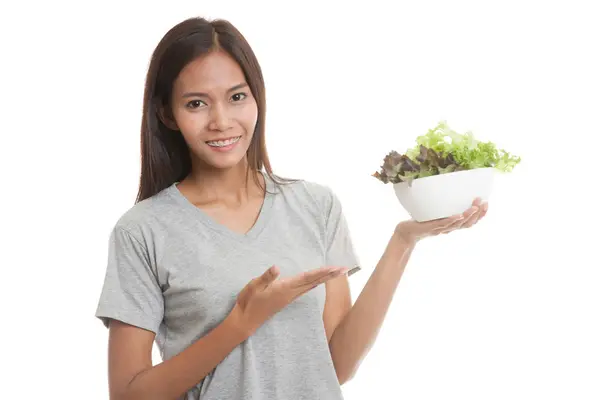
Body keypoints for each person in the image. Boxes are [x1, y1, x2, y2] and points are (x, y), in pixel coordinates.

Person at [95, 16, 488, 400]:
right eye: (197, 103)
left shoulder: (315, 205)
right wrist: (240, 323)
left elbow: (337, 365)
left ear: (257, 98)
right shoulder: (143, 230)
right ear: (168, 114)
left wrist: (403, 242)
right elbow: (128, 394)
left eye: (237, 97)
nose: (221, 121)